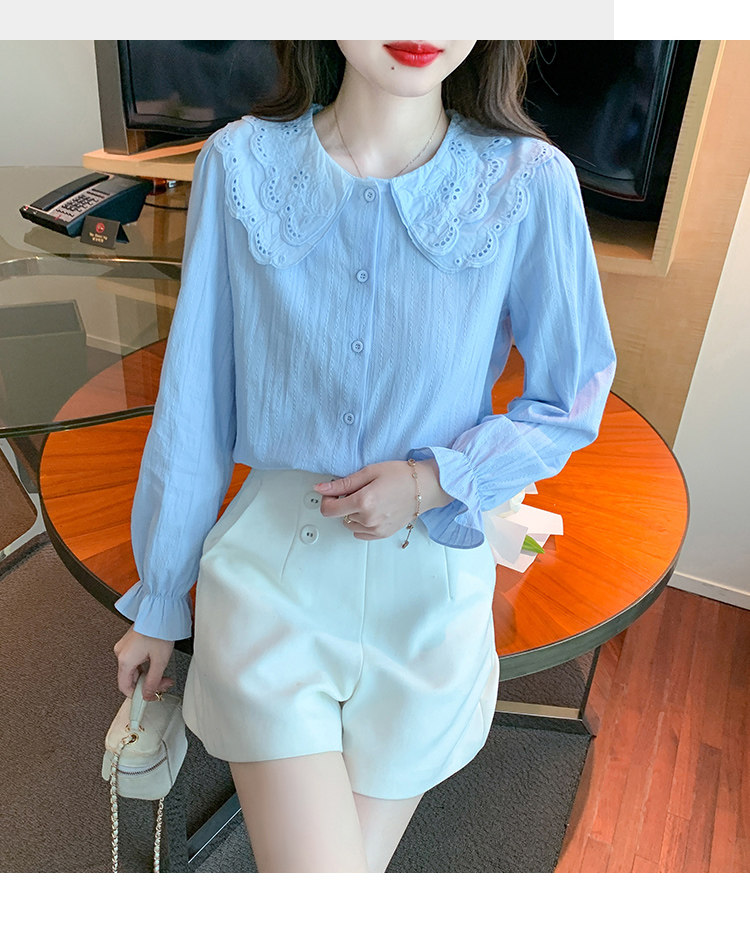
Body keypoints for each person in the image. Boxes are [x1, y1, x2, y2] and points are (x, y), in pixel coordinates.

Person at [112, 40, 617, 873]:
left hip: (430, 589)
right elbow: (194, 402)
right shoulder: (239, 165)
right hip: (275, 576)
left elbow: (570, 398)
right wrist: (160, 601)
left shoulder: (529, 182)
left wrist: (433, 480)